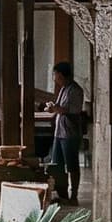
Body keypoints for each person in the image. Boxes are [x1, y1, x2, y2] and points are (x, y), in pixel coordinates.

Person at [45, 60, 85, 206]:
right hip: (59, 133)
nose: (54, 78)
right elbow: (60, 108)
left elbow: (73, 111)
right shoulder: (63, 88)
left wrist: (56, 109)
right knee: (58, 166)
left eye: (54, 75)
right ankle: (63, 194)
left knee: (72, 166)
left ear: (60, 75)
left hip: (70, 133)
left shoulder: (75, 90)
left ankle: (74, 196)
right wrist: (54, 109)